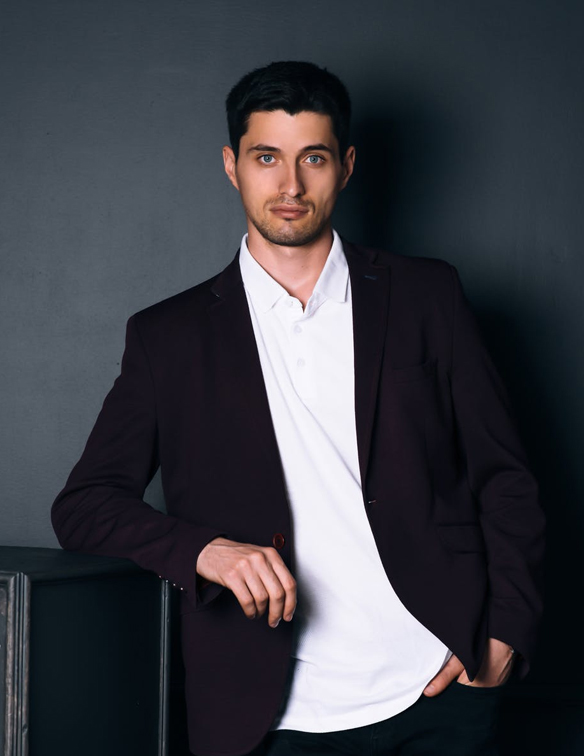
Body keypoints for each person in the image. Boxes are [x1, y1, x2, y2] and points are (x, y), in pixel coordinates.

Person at [51, 61, 546, 756]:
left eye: (312, 158)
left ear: (346, 167)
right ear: (232, 166)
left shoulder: (427, 297)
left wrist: (506, 635)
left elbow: (506, 479)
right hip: (267, 717)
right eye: (266, 158)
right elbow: (83, 506)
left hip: (439, 693)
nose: (289, 185)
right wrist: (202, 550)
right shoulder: (169, 337)